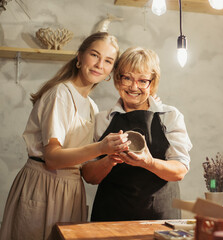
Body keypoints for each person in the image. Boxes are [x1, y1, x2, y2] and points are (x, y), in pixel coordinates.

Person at [0, 32, 130, 240]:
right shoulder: (61, 94)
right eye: (94, 55)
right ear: (79, 57)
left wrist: (109, 158)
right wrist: (100, 148)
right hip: (43, 186)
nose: (99, 64)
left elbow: (87, 172)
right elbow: (52, 159)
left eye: (108, 61)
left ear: (110, 72)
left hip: (70, 191)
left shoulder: (91, 106)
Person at [81, 46, 192, 221]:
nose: (134, 87)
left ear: (152, 83)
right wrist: (110, 160)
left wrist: (148, 162)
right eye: (127, 78)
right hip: (110, 216)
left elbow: (179, 171)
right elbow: (89, 176)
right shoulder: (102, 119)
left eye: (142, 80)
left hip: (159, 217)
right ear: (118, 80)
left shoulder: (170, 116)